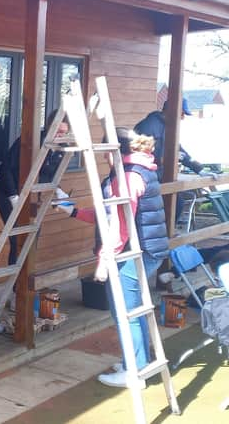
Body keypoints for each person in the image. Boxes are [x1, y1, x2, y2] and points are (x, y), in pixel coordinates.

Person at [58, 129, 169, 388]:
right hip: (146, 247)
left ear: (112, 151)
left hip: (134, 251)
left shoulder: (128, 176)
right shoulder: (138, 167)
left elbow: (121, 223)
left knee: (125, 312)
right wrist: (73, 212)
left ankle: (134, 373)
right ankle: (139, 363)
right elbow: (109, 213)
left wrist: (105, 259)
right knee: (133, 311)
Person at [0, 109, 69, 265]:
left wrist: (57, 190)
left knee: (32, 239)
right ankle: (17, 286)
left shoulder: (62, 149)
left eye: (64, 132)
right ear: (50, 126)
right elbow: (5, 168)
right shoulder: (30, 141)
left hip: (32, 195)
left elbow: (48, 175)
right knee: (17, 240)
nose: (60, 135)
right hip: (9, 192)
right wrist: (13, 196)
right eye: (57, 130)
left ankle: (26, 285)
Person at [135, 98, 217, 218]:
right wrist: (169, 157)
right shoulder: (148, 126)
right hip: (144, 177)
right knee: (158, 209)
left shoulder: (169, 127)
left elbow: (179, 151)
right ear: (172, 111)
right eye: (182, 113)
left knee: (176, 204)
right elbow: (139, 155)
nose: (183, 118)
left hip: (158, 176)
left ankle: (167, 235)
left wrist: (200, 170)